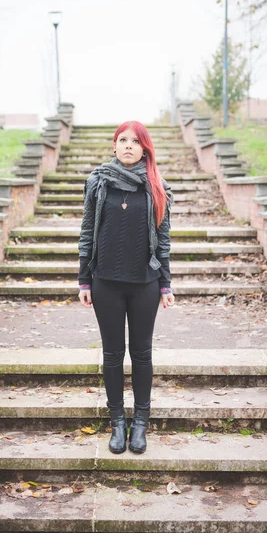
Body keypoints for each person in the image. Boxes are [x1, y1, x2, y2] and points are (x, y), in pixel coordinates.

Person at [77, 120, 175, 455]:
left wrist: (166, 284)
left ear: (145, 148)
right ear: (114, 145)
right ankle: (118, 421)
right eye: (123, 140)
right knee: (112, 354)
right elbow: (87, 230)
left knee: (142, 353)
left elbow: (163, 240)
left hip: (144, 284)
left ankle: (141, 424)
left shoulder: (156, 186)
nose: (129, 145)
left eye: (136, 141)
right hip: (105, 282)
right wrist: (83, 279)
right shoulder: (98, 182)